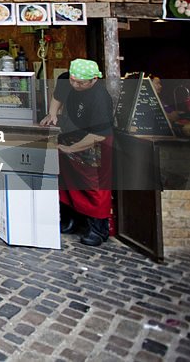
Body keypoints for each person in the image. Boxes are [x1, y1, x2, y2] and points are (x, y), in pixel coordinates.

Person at [40, 59, 114, 247]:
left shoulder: (101, 98)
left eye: (80, 83)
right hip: (71, 135)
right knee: (67, 181)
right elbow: (58, 96)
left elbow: (98, 135)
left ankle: (98, 229)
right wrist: (53, 113)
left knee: (94, 187)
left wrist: (70, 149)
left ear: (94, 80)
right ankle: (71, 221)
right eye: (73, 80)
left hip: (94, 142)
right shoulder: (67, 80)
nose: (75, 84)